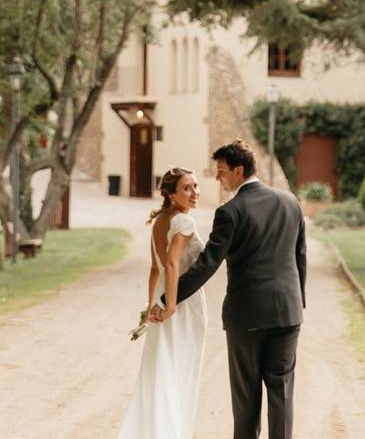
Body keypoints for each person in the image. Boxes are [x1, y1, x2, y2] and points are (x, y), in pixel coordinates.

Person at [151, 139, 307, 439]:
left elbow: (207, 264)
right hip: (288, 312)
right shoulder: (290, 201)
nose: (218, 178)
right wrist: (298, 300)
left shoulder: (230, 211)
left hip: (247, 315)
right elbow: (300, 255)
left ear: (238, 170)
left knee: (246, 393)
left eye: (221, 171)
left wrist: (166, 299)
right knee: (282, 390)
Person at [118, 168, 207, 439]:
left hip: (161, 299)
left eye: (195, 186)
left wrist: (150, 306)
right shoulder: (184, 223)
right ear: (171, 195)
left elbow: (154, 270)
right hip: (181, 304)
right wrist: (169, 306)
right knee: (180, 369)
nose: (195, 193)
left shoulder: (160, 221)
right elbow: (170, 264)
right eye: (186, 188)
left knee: (161, 368)